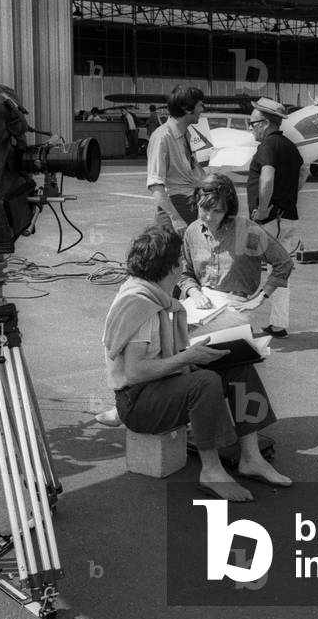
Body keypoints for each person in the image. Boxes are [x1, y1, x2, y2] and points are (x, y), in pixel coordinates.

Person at [103, 225, 292, 501]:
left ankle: (251, 457)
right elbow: (135, 371)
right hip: (137, 403)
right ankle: (211, 471)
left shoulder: (151, 294)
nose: (182, 267)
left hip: (157, 386)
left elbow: (160, 356)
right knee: (205, 382)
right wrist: (188, 357)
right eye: (179, 261)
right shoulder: (139, 305)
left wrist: (195, 354)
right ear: (169, 268)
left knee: (237, 363)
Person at [178, 173, 294, 336]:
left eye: (218, 211)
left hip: (234, 305)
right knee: (166, 330)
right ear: (196, 202)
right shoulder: (192, 231)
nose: (209, 216)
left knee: (185, 337)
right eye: (204, 208)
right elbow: (185, 273)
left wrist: (259, 298)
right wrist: (195, 294)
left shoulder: (245, 231)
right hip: (200, 302)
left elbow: (283, 262)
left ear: (229, 209)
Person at [246, 97, 308, 338]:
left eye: (252, 123)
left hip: (268, 221)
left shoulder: (268, 146)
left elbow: (267, 178)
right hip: (288, 217)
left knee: (247, 267)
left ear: (264, 123)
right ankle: (279, 324)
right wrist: (289, 195)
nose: (251, 128)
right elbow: (304, 172)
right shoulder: (289, 145)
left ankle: (244, 323)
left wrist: (263, 209)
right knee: (281, 270)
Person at [145, 85, 206, 234]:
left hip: (189, 204)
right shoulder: (162, 137)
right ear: (187, 109)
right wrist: (176, 219)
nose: (202, 109)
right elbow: (155, 185)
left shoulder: (185, 134)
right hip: (174, 208)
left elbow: (193, 170)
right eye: (200, 105)